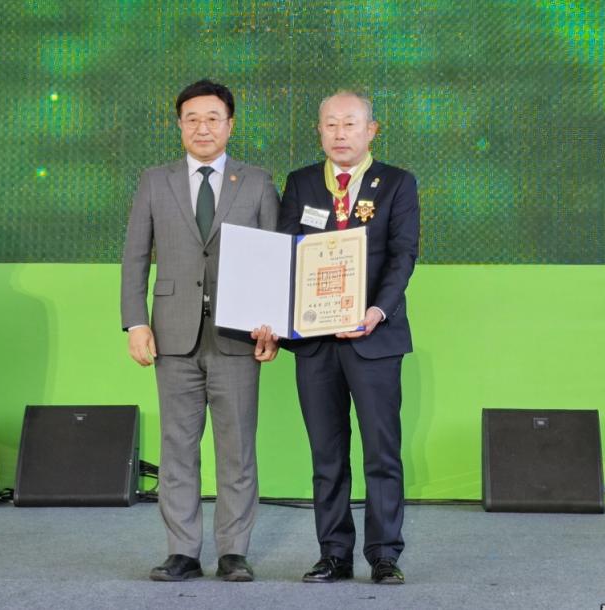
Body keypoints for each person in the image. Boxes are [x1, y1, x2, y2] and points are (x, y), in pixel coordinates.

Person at [121, 79, 279, 583]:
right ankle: (183, 552)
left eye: (213, 118)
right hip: (172, 335)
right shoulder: (154, 181)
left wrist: (273, 327)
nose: (203, 127)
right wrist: (136, 321)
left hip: (238, 336)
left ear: (230, 125)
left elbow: (275, 259)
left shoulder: (257, 182)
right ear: (180, 125)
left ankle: (234, 552)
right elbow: (134, 257)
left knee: (237, 450)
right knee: (177, 449)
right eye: (192, 119)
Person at [278, 91, 419, 584]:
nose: (340, 133)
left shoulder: (397, 183)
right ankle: (334, 553)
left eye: (350, 124)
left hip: (374, 338)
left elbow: (403, 255)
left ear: (371, 130)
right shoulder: (300, 183)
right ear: (319, 130)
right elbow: (285, 256)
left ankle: (384, 555)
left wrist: (377, 311)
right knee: (327, 454)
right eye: (331, 124)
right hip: (315, 342)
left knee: (382, 452)